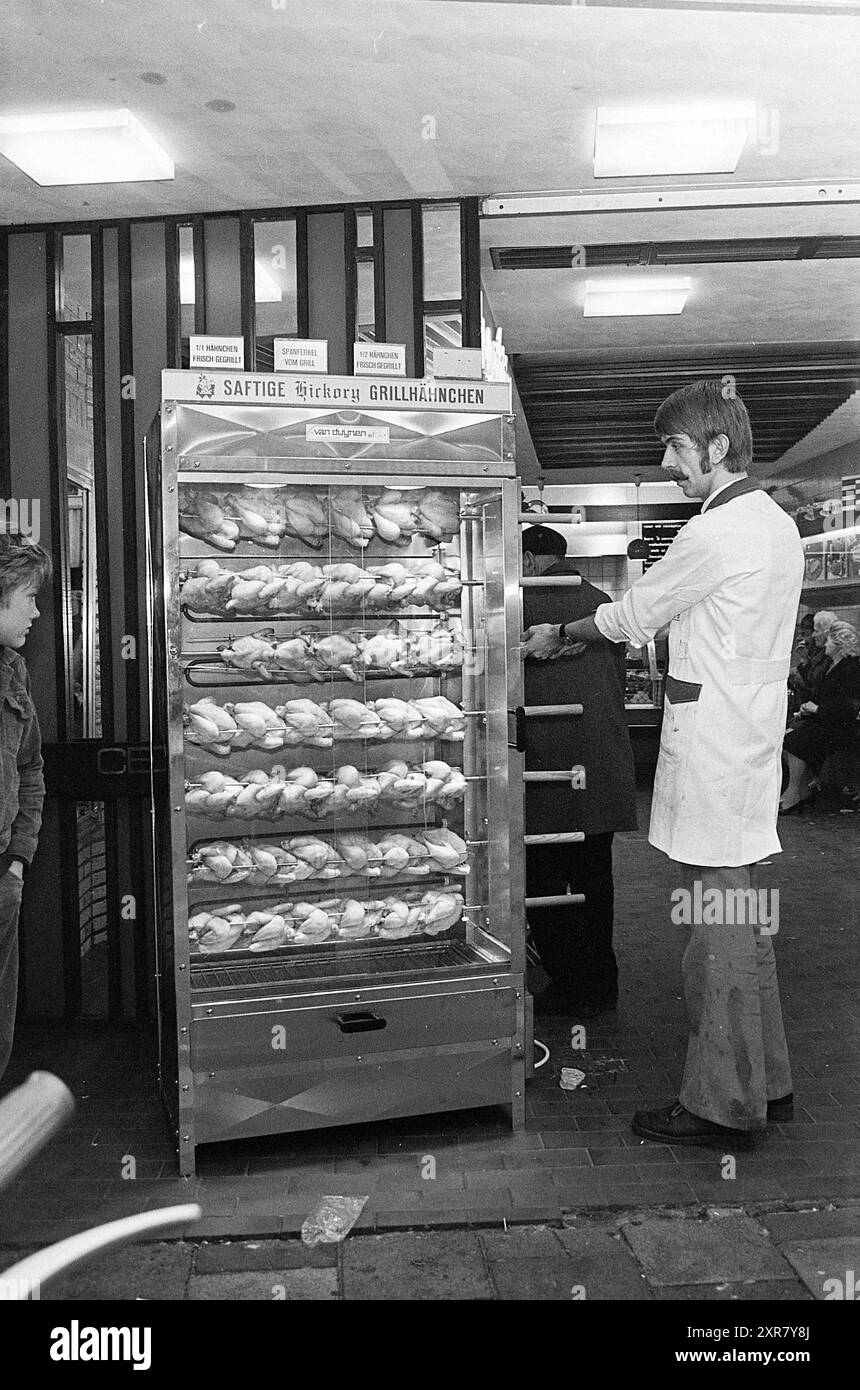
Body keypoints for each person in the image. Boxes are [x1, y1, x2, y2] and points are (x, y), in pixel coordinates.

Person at [521, 380, 804, 1149]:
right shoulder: (773, 523)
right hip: (745, 744)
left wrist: (559, 634)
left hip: (715, 749)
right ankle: (766, 1082)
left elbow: (633, 613)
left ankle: (721, 1104)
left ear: (716, 447)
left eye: (676, 447)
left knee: (717, 939)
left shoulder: (714, 532)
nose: (668, 461)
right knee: (743, 925)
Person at [521, 525, 637, 1017]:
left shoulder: (520, 606)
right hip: (604, 765)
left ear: (527, 561)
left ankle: (571, 983)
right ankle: (600, 981)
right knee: (594, 880)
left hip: (550, 772)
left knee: (545, 882)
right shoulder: (601, 600)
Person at [0, 534, 50, 1083]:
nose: (37, 611)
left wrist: (17, 858)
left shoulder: (13, 673)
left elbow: (31, 769)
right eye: (28, 597)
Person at [780, 619, 860, 811]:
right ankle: (802, 789)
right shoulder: (834, 666)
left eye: (829, 640)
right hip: (829, 723)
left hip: (841, 727)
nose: (825, 644)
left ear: (838, 644)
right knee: (792, 738)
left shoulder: (850, 668)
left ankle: (795, 792)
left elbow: (849, 707)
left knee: (794, 741)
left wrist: (816, 709)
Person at [788, 609, 836, 709]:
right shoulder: (812, 657)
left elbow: (813, 686)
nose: (798, 638)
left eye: (804, 634)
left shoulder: (827, 658)